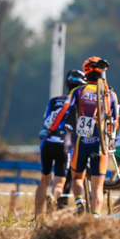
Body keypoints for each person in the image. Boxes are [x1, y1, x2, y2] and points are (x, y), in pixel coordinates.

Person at [47, 57, 119, 217]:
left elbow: (63, 112)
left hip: (81, 142)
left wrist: (51, 129)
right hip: (101, 143)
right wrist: (111, 140)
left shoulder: (78, 91)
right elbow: (115, 120)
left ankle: (79, 201)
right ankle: (94, 216)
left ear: (86, 74)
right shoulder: (110, 95)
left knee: (77, 178)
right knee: (98, 187)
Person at [34, 69, 86, 219]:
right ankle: (51, 212)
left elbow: (47, 121)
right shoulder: (80, 106)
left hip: (47, 142)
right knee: (58, 184)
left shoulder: (54, 101)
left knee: (44, 180)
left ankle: (37, 216)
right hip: (65, 145)